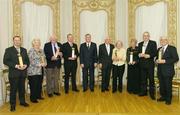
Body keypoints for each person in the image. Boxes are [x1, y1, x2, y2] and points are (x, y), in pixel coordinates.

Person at [3, 36, 30, 112]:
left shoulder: (24, 50)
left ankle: (22, 102)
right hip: (14, 74)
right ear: (13, 41)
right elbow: (5, 61)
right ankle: (12, 105)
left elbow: (27, 61)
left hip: (23, 73)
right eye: (16, 40)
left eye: (19, 40)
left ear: (20, 41)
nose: (17, 41)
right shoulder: (9, 50)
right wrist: (16, 66)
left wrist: (25, 65)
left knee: (22, 89)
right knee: (13, 90)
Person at [156, 36, 179, 105]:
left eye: (164, 40)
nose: (162, 41)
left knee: (168, 86)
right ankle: (163, 97)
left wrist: (165, 61)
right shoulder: (159, 49)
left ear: (167, 41)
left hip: (168, 71)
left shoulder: (172, 48)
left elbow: (176, 59)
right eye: (161, 40)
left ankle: (168, 99)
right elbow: (157, 58)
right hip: (160, 71)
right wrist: (156, 60)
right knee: (162, 86)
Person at [138, 31, 157, 100]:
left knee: (151, 80)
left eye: (146, 36)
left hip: (149, 65)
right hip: (142, 64)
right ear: (143, 37)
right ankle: (144, 92)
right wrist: (139, 55)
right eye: (144, 36)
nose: (145, 37)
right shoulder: (140, 44)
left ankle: (152, 94)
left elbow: (155, 53)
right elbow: (138, 53)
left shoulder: (153, 43)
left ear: (149, 37)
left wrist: (149, 55)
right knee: (143, 79)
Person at [27, 38, 46, 103]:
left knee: (39, 84)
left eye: (38, 42)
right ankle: (33, 98)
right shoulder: (31, 51)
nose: (38, 44)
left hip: (40, 70)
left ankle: (38, 96)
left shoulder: (41, 50)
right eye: (36, 43)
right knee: (33, 85)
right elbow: (30, 61)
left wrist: (45, 63)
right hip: (33, 71)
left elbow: (44, 58)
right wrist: (40, 64)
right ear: (33, 44)